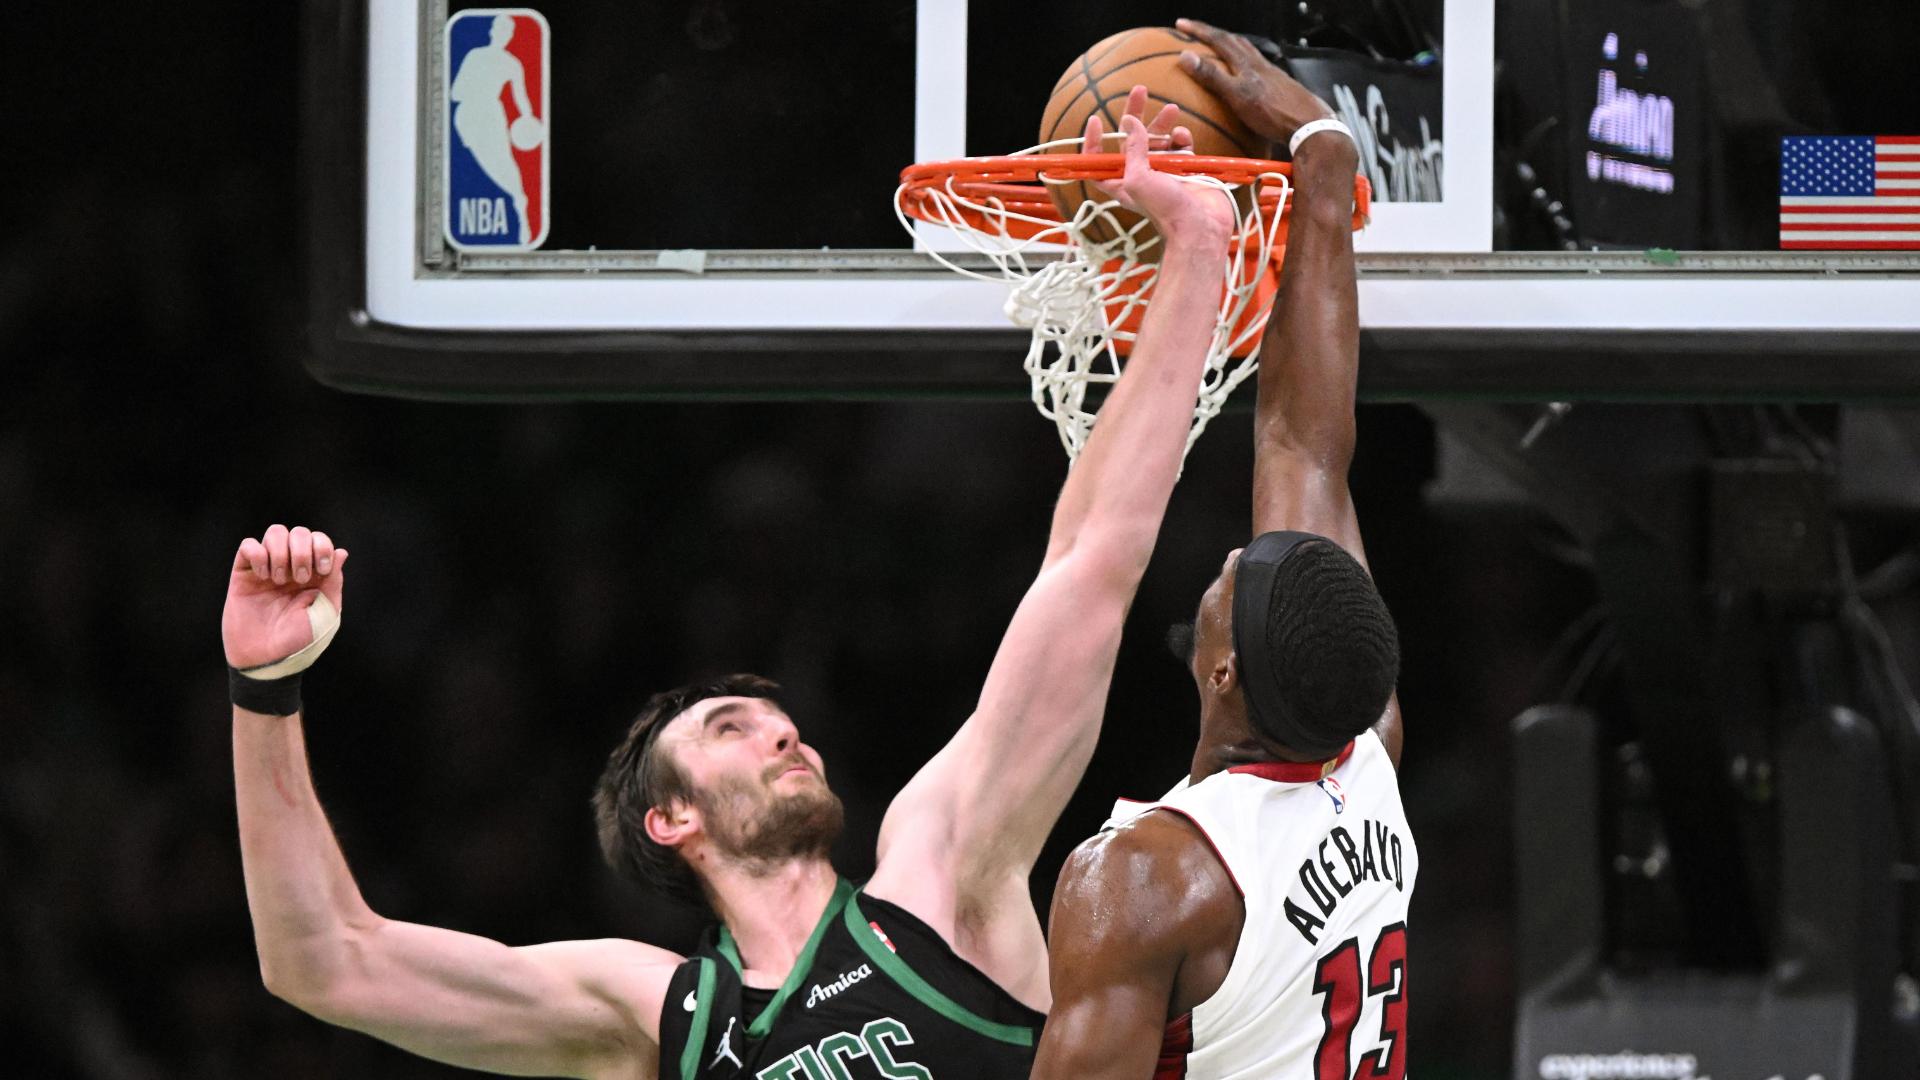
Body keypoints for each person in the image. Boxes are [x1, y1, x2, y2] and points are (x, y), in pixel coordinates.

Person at [223, 89, 1232, 1080]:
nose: (782, 733)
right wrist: (263, 690)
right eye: (728, 730)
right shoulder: (655, 1014)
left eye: (772, 719)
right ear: (673, 822)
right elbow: (328, 961)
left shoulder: (942, 870)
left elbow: (1090, 562)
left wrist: (1194, 255)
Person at [1030, 21, 1414, 1080]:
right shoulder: (1364, 760)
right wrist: (1322, 163)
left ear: (1225, 669)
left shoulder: (1146, 879)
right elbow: (1307, 444)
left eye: (1229, 579)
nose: (1238, 553)